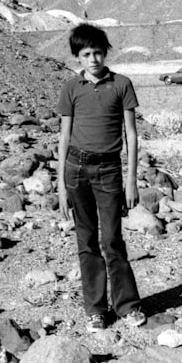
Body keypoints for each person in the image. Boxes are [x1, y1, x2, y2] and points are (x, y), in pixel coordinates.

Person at [57, 23, 146, 332]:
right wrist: (59, 187)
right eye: (85, 54)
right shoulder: (71, 88)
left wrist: (131, 180)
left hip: (109, 170)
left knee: (112, 239)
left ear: (105, 53)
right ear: (77, 58)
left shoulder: (121, 84)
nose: (93, 59)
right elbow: (64, 137)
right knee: (86, 240)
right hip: (76, 169)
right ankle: (95, 309)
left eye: (97, 52)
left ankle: (127, 306)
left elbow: (131, 136)